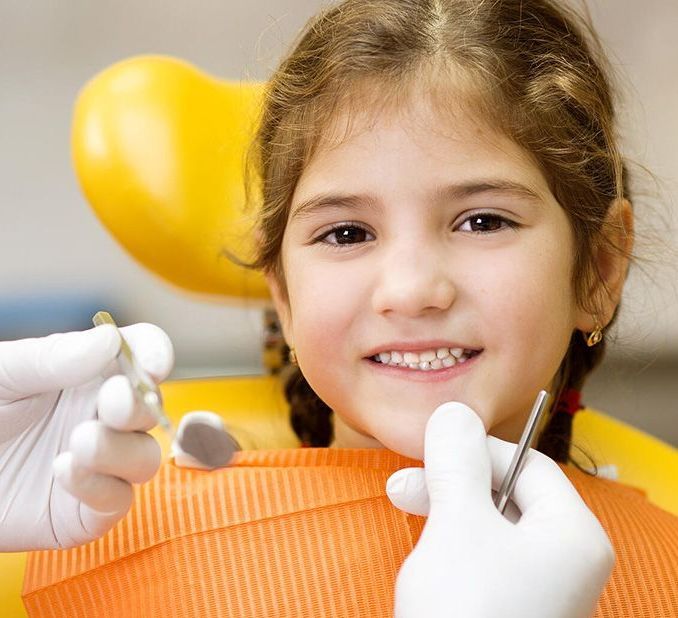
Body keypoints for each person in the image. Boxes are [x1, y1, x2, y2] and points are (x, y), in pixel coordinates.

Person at [2, 0, 671, 615]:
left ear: (599, 269)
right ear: (283, 294)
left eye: (482, 221)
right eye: (346, 233)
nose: (410, 289)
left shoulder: (663, 570)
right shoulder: (99, 543)